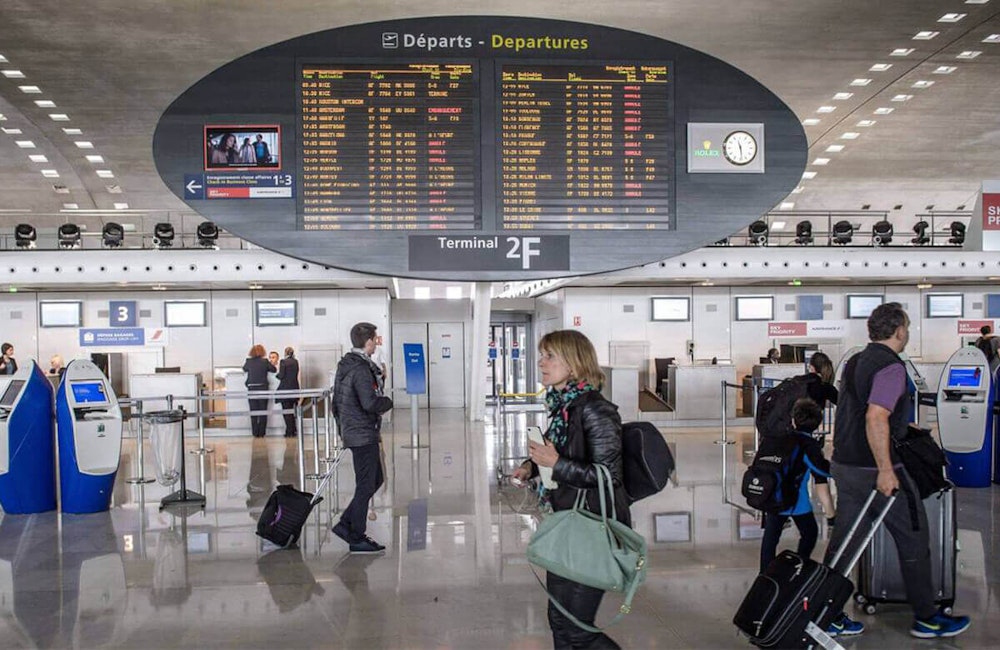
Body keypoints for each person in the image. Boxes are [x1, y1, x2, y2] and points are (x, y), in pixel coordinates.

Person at [825, 302, 971, 639]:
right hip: (876, 469)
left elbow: (858, 410)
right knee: (914, 539)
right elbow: (875, 415)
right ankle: (928, 618)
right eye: (906, 327)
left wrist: (902, 427)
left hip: (846, 464)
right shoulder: (891, 367)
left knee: (845, 543)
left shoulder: (856, 361)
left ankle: (826, 611)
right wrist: (885, 469)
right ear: (899, 331)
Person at [512, 329, 629, 650]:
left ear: (575, 364)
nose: (541, 362)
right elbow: (557, 448)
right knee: (560, 620)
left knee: (577, 628)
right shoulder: (564, 406)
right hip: (567, 522)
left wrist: (557, 463)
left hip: (592, 527)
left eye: (550, 356)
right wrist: (531, 465)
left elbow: (608, 475)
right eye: (542, 354)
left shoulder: (596, 409)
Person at [331, 322, 393, 554]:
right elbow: (370, 403)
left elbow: (337, 402)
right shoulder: (359, 369)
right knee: (367, 483)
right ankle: (355, 535)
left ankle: (346, 524)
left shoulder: (348, 366)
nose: (377, 343)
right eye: (375, 339)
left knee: (375, 479)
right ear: (368, 342)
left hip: (355, 430)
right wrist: (387, 402)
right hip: (362, 433)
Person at [758, 398, 835, 572]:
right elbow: (821, 474)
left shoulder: (778, 438)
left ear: (793, 420)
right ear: (817, 424)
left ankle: (764, 573)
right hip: (796, 501)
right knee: (809, 533)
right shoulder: (808, 444)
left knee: (770, 538)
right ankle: (800, 568)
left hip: (771, 495)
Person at [243, 344, 276, 437]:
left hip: (252, 389)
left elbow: (244, 369)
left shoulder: (248, 361)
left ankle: (255, 432)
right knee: (263, 411)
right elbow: (273, 369)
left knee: (253, 412)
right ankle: (261, 433)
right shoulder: (265, 361)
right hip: (263, 388)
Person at [276, 347, 300, 438]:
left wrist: (276, 376)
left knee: (286, 412)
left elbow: (281, 375)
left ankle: (289, 431)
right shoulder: (295, 361)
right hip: (294, 388)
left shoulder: (283, 362)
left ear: (285, 353)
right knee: (292, 411)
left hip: (285, 389)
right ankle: (293, 430)